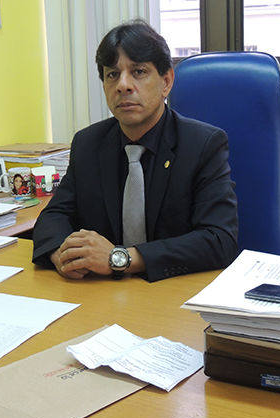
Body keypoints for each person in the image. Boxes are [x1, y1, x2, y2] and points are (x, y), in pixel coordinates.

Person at [32, 19, 238, 282]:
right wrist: (63, 255)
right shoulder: (88, 143)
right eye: (112, 74)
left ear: (166, 81)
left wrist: (120, 259)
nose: (123, 85)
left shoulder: (203, 145)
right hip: (102, 293)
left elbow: (219, 240)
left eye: (138, 72)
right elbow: (54, 216)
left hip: (171, 293)